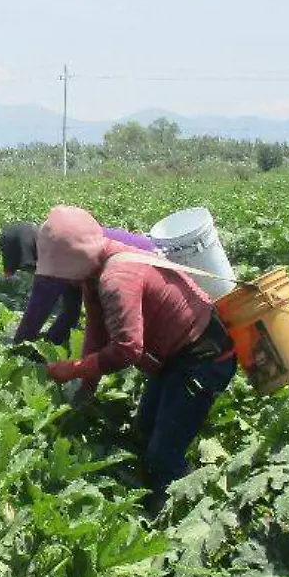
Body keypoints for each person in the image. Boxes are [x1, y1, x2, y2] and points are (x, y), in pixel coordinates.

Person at [35, 205, 236, 497]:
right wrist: (85, 392)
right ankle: (162, 482)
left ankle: (192, 505)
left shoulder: (116, 278)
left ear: (74, 259)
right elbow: (96, 333)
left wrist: (76, 370)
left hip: (203, 359)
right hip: (175, 357)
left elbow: (127, 349)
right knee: (143, 428)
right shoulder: (98, 269)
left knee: (161, 456)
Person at [0, 220, 157, 345]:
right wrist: (49, 343)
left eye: (27, 266)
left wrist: (19, 348)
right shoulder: (66, 254)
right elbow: (70, 312)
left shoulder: (56, 254)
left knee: (136, 332)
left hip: (143, 262)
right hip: (144, 258)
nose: (31, 271)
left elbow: (37, 311)